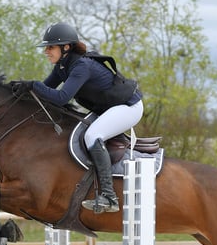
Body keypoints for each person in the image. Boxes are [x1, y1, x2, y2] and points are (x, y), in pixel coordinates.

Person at [11, 22, 144, 213]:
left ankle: (109, 196)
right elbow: (45, 91)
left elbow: (61, 97)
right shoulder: (62, 66)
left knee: (92, 136)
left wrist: (32, 85)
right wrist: (20, 93)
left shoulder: (81, 66)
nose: (46, 51)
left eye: (50, 47)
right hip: (109, 107)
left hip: (128, 107)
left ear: (66, 47)